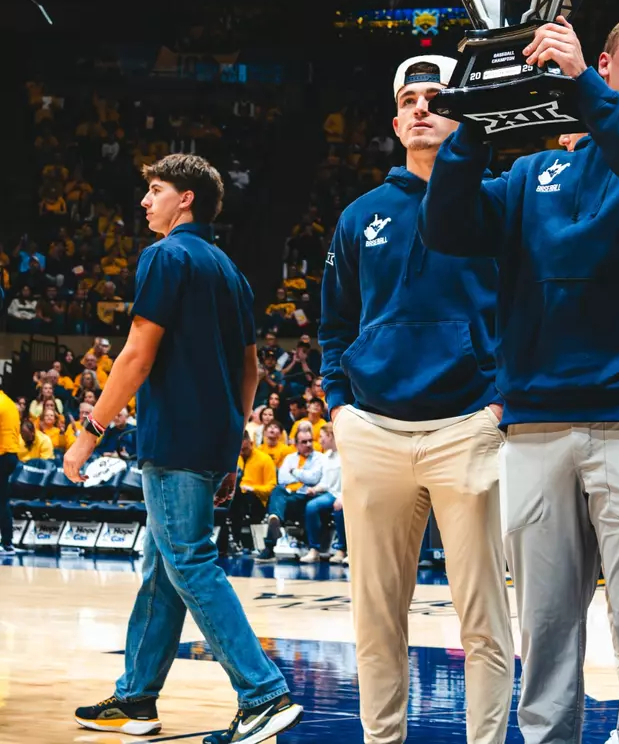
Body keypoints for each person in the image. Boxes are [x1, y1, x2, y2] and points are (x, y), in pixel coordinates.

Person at [421, 11, 619, 744]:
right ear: (606, 59)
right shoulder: (533, 173)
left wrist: (586, 92)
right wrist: (474, 123)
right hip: (534, 423)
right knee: (547, 625)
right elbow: (448, 229)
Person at [63, 153, 303, 743]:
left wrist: (89, 432)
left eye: (155, 189)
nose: (145, 202)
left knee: (189, 562)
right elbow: (249, 372)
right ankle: (137, 697)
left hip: (172, 437)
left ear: (186, 198)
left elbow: (136, 357)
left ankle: (263, 693)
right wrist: (231, 448)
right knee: (163, 569)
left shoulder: (165, 257)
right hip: (211, 440)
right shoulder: (230, 271)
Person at [321, 55, 512, 744]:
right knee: (375, 618)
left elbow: (526, 313)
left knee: (483, 617)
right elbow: (335, 324)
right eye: (410, 99)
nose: (423, 108)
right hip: (372, 428)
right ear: (396, 120)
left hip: (468, 425)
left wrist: (499, 407)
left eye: (437, 98)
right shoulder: (359, 216)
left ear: (460, 114)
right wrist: (339, 405)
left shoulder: (496, 204)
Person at [260, 426, 322, 559]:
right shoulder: (290, 458)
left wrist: (294, 471)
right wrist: (303, 475)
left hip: (306, 496)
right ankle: (274, 520)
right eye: (304, 442)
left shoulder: (319, 458)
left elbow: (314, 478)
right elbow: (282, 478)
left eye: (310, 441)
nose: (308, 444)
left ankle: (269, 546)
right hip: (288, 494)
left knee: (278, 503)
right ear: (296, 444)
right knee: (277, 490)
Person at [299, 423, 344, 564]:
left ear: (331, 436)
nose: (319, 441)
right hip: (331, 494)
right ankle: (314, 550)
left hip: (345, 494)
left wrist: (343, 497)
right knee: (311, 506)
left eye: (322, 437)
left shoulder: (346, 454)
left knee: (340, 510)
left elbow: (352, 480)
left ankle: (342, 550)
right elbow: (326, 482)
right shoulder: (327, 455)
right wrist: (315, 489)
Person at [230, 432, 277, 552]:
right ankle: (233, 541)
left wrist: (254, 488)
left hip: (259, 500)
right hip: (238, 498)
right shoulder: (235, 458)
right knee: (234, 500)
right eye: (239, 450)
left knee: (243, 498)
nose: (242, 452)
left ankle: (240, 541)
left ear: (251, 443)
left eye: (244, 449)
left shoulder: (265, 459)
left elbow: (272, 487)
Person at [1, 386, 21, 554]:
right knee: (2, 501)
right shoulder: (8, 402)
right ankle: (7, 543)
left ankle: (7, 542)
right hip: (10, 455)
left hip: (2, 455)